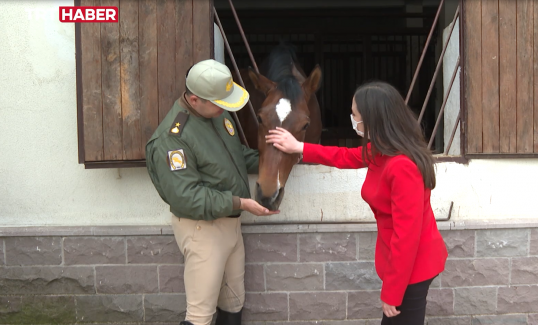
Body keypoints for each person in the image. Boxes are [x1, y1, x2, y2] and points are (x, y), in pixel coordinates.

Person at [266, 81, 448, 325]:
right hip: (403, 266)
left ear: (373, 119)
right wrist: (299, 146)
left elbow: (407, 237)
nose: (352, 119)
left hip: (413, 268)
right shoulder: (384, 150)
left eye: (355, 115)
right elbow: (345, 156)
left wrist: (392, 293)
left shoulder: (402, 165)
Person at [145, 59, 279, 325]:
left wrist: (277, 157)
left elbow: (235, 156)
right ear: (195, 100)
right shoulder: (173, 138)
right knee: (200, 315)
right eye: (220, 103)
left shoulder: (216, 113)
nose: (224, 108)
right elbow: (186, 197)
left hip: (230, 225)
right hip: (202, 230)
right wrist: (241, 203)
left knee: (233, 302)